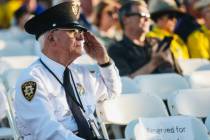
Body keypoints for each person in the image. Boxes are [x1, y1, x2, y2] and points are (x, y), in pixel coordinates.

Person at [14, 1, 121, 140]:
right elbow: (48, 132)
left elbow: (113, 92)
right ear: (52, 38)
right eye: (73, 31)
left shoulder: (80, 73)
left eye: (81, 31)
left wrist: (104, 61)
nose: (81, 37)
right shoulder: (32, 80)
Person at [108, 0, 181, 77]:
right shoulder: (116, 50)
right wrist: (153, 64)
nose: (147, 19)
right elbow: (125, 82)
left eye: (148, 16)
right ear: (126, 19)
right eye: (142, 15)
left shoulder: (160, 44)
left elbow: (179, 75)